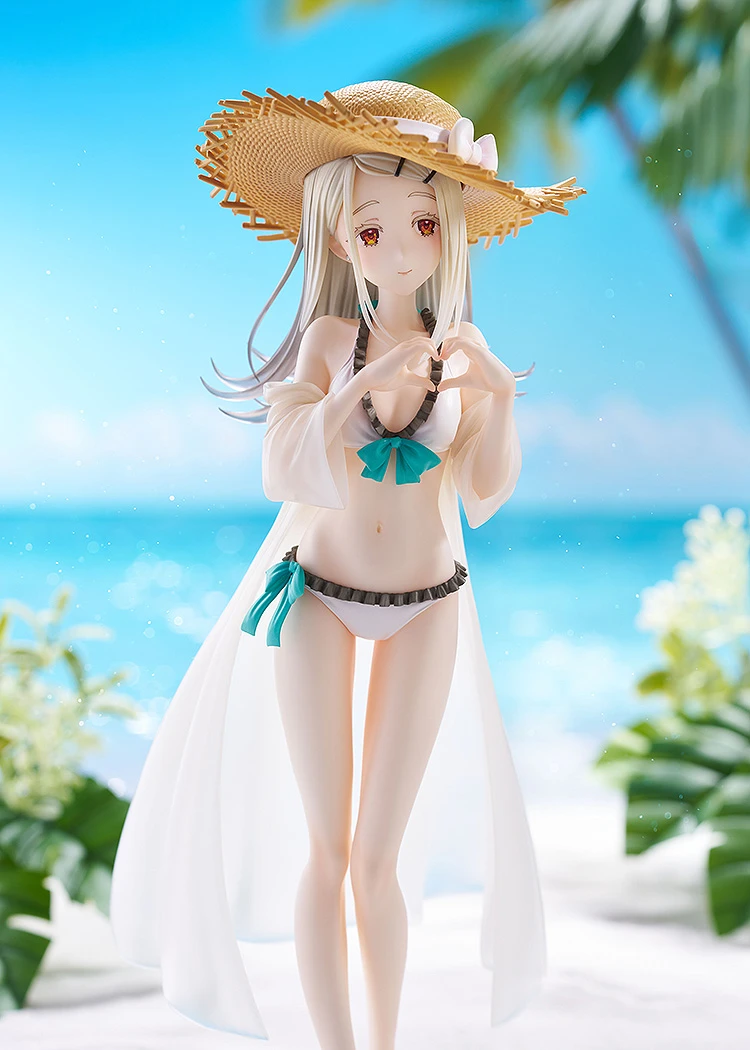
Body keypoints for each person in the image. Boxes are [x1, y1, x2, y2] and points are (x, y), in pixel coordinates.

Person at [109, 80, 585, 1047]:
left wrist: (500, 400)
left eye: (422, 223)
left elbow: (483, 493)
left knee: (378, 856)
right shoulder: (330, 341)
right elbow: (282, 467)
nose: (401, 248)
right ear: (339, 238)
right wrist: (351, 390)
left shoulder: (462, 351)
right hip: (317, 595)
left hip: (430, 599)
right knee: (326, 849)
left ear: (450, 231)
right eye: (373, 230)